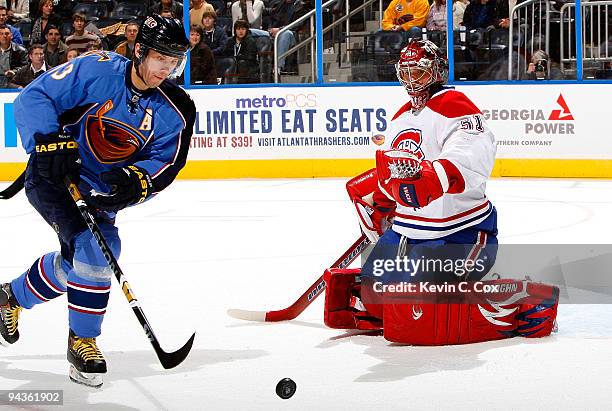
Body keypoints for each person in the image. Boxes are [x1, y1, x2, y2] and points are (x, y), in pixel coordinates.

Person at [0, 14, 195, 389]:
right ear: (140, 51)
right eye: (160, 60)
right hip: (54, 177)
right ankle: (83, 341)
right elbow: (33, 97)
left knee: (81, 259)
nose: (166, 70)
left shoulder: (176, 108)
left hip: (98, 191)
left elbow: (166, 163)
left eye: (174, 63)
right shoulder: (97, 69)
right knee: (98, 249)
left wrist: (136, 183)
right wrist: (48, 140)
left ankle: (10, 298)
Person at [326, 39, 558, 345]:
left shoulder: (455, 105)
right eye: (405, 73)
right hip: (409, 234)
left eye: (418, 73)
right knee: (373, 287)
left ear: (437, 72)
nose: (411, 81)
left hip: (461, 231)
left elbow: (471, 157)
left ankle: (525, 301)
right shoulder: (399, 118)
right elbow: (396, 171)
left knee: (429, 308)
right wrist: (380, 199)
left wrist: (436, 177)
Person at [222, 19, 259, 83]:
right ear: (235, 30)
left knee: (242, 63)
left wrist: (236, 58)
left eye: (243, 29)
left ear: (247, 30)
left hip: (247, 66)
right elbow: (225, 54)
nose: (241, 31)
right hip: (233, 65)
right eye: (238, 29)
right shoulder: (230, 41)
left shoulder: (250, 41)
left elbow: (250, 57)